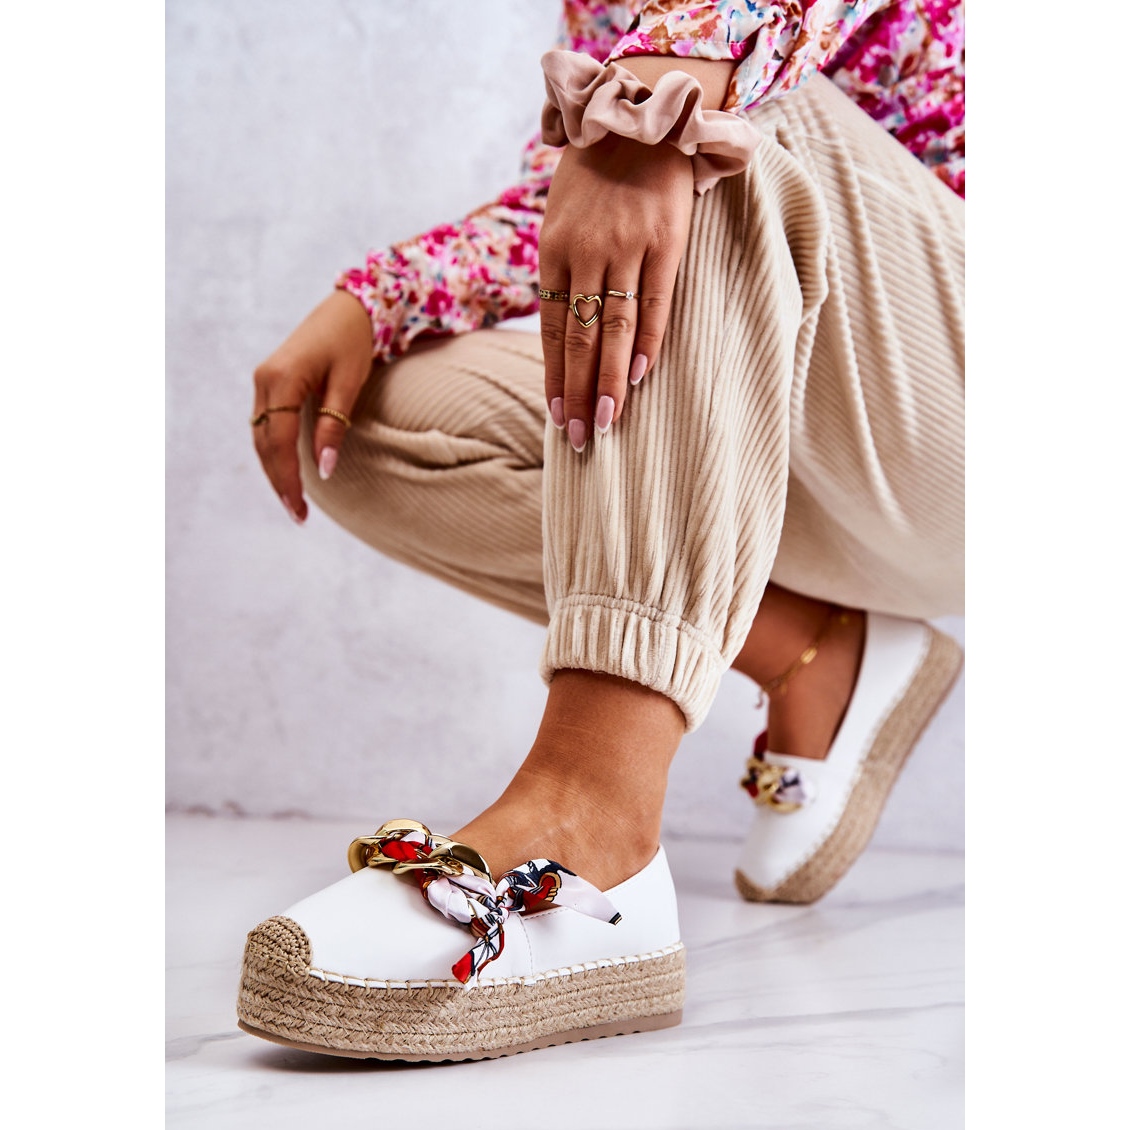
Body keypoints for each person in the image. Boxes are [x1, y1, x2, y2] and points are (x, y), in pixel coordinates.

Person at [238, 0, 964, 1061]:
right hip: (810, 429)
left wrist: (649, 111)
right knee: (359, 424)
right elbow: (586, 201)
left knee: (700, 128)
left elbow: (698, 94)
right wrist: (380, 295)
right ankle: (817, 648)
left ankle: (594, 809)